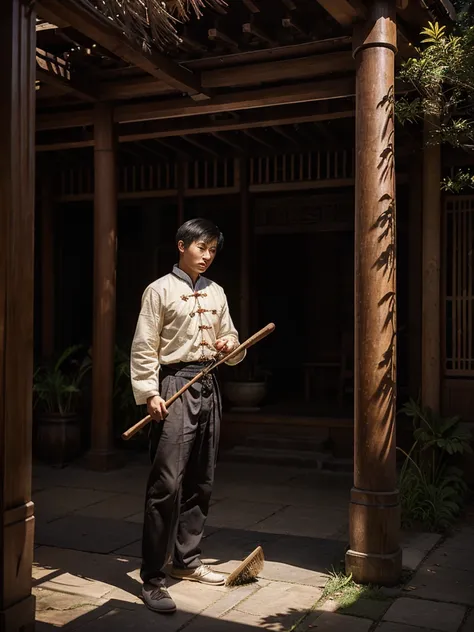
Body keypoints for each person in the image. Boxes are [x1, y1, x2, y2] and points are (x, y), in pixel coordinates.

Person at [130, 218, 245, 614]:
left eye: (213, 250)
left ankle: (188, 561)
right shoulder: (158, 290)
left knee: (202, 479)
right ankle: (153, 578)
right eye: (201, 248)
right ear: (182, 246)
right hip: (173, 387)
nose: (207, 256)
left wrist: (230, 344)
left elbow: (232, 338)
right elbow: (145, 346)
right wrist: (148, 393)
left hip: (208, 384)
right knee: (166, 484)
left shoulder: (217, 291)